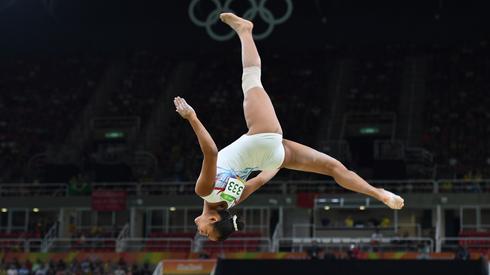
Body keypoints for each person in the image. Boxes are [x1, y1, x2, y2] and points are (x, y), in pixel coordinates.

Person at [174, 13, 404, 242]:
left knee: (333, 168)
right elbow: (211, 152)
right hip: (261, 139)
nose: (199, 231)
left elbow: (262, 179)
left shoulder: (232, 200)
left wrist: (279, 160)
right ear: (213, 219)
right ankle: (245, 30)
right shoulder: (204, 191)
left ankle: (378, 193)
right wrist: (191, 117)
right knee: (251, 79)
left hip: (271, 157)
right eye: (205, 232)